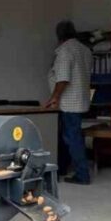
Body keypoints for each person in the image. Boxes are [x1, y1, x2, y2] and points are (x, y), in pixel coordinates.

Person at [43, 21, 94, 185]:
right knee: (66, 136)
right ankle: (62, 168)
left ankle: (82, 174)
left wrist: (54, 97)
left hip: (69, 102)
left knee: (72, 138)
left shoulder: (65, 51)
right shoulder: (85, 50)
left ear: (59, 35)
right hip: (81, 100)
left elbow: (63, 78)